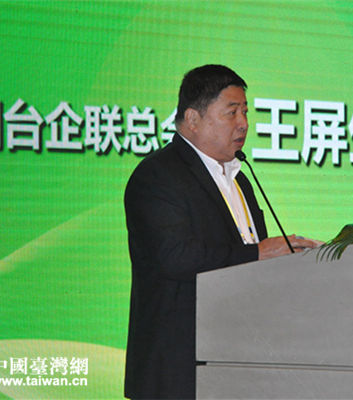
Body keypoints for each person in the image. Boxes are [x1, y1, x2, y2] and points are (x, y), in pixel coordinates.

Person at [123, 64, 321, 399]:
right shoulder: (158, 175)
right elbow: (175, 257)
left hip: (238, 364)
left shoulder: (240, 179)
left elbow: (252, 262)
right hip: (179, 372)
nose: (243, 123)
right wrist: (259, 253)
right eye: (231, 112)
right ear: (193, 119)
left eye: (245, 111)